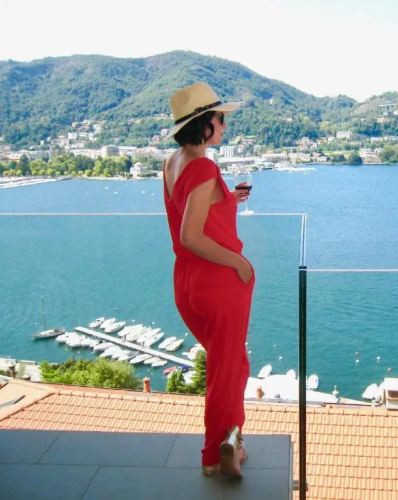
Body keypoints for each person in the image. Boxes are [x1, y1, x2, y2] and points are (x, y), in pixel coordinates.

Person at [163, 82, 254, 479]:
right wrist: (239, 264)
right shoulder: (203, 167)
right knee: (226, 370)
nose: (224, 124)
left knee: (231, 365)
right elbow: (191, 235)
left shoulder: (174, 162)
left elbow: (192, 210)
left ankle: (230, 439)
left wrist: (228, 198)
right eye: (220, 118)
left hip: (187, 282)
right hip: (218, 282)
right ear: (203, 124)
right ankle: (216, 456)